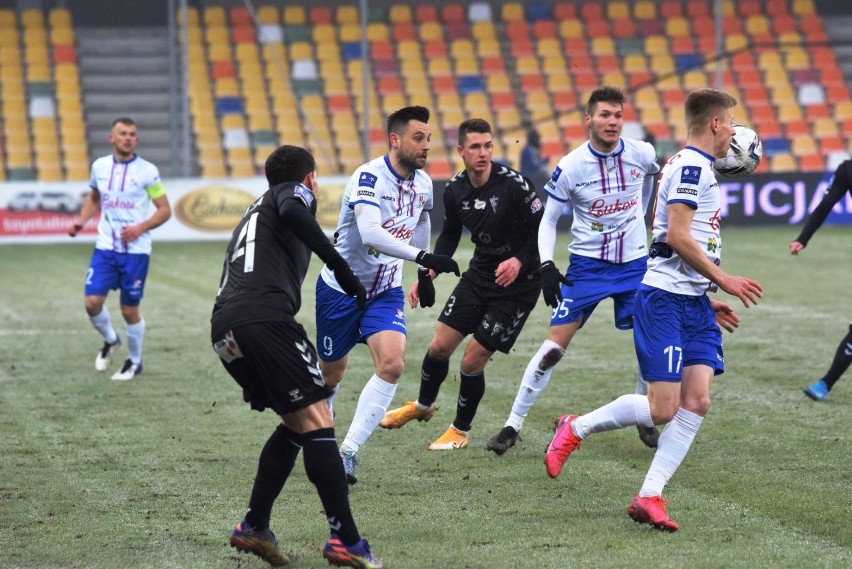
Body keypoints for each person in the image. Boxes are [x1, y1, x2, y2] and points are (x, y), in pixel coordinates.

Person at [543, 88, 763, 532]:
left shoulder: (696, 166)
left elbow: (682, 239)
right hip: (663, 299)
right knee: (663, 409)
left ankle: (649, 496)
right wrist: (725, 279)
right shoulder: (690, 166)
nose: (734, 135)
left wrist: (705, 291)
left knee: (697, 401)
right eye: (731, 124)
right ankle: (575, 427)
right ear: (716, 124)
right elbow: (679, 235)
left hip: (692, 300)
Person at [211, 145, 383, 568]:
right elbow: (293, 209)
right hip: (263, 319)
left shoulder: (255, 209)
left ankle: (254, 525)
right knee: (319, 417)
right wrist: (341, 266)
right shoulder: (291, 195)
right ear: (310, 179)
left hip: (225, 329)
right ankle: (346, 539)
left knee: (295, 420)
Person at [485, 87, 662, 456]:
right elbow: (548, 220)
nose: (612, 122)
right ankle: (512, 424)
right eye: (604, 115)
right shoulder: (571, 165)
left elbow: (652, 181)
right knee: (553, 349)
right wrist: (547, 264)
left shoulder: (643, 153)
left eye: (617, 115)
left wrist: (643, 221)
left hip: (635, 267)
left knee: (651, 343)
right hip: (586, 268)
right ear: (588, 120)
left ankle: (645, 413)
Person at [315, 106, 460, 484]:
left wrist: (423, 273)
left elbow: (423, 219)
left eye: (428, 138)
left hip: (385, 291)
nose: (426, 145)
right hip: (340, 291)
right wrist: (424, 255)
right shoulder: (367, 177)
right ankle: (317, 437)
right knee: (331, 374)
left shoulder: (424, 183)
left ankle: (346, 452)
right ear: (395, 140)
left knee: (393, 364)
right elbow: (370, 232)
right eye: (418, 138)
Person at [379, 118, 545, 450]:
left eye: (487, 146)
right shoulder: (455, 190)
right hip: (481, 274)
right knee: (439, 346)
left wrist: (519, 260)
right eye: (475, 147)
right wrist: (430, 272)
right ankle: (423, 407)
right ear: (461, 152)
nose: (483, 153)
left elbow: (545, 228)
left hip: (519, 285)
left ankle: (460, 430)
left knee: (471, 360)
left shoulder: (515, 185)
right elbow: (451, 235)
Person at [68, 117, 171, 381]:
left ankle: (135, 362)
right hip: (105, 248)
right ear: (111, 138)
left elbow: (165, 210)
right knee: (91, 303)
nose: (127, 137)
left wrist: (141, 227)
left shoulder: (147, 171)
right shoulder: (99, 167)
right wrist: (81, 221)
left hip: (135, 251)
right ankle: (111, 339)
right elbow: (94, 196)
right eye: (122, 133)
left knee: (129, 310)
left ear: (136, 140)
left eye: (132, 134)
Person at [789, 158, 852, 400]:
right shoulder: (847, 170)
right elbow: (826, 204)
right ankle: (825, 383)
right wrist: (803, 238)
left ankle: (825, 383)